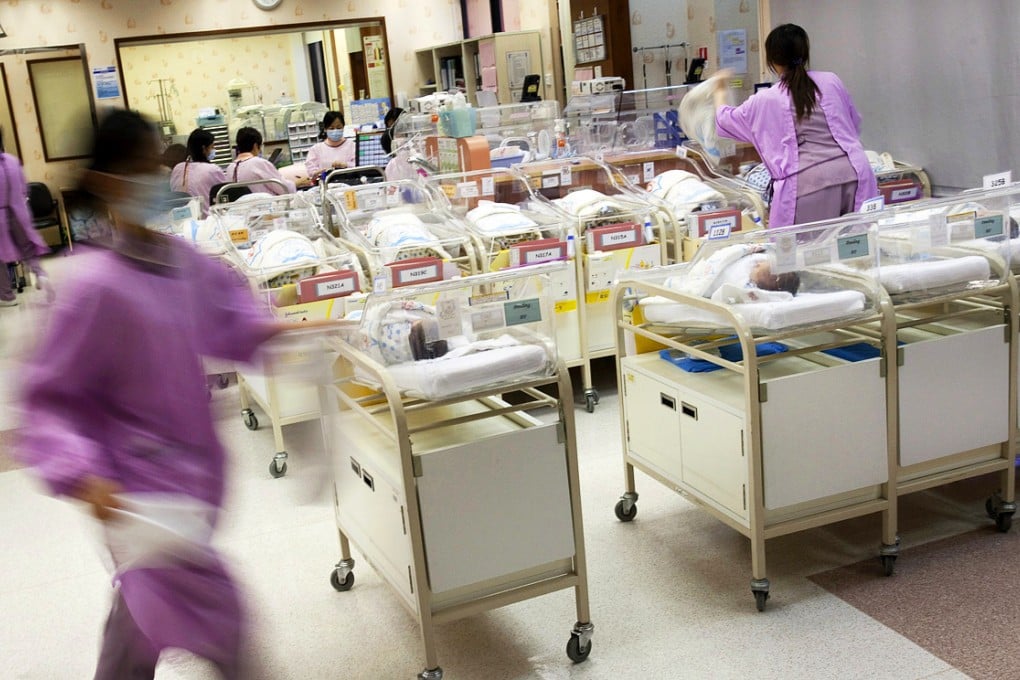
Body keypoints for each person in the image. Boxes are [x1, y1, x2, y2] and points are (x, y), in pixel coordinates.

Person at [16, 109, 307, 679]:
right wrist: (81, 473)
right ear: (106, 183)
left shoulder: (179, 265)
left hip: (190, 480)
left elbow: (227, 319)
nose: (153, 179)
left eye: (157, 165)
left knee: (137, 624)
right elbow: (48, 400)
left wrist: (281, 329)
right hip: (136, 491)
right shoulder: (91, 287)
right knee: (221, 621)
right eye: (139, 169)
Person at [712, 23, 878, 228]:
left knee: (807, 254)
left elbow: (724, 120)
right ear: (805, 53)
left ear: (772, 60)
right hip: (854, 174)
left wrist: (719, 90)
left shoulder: (766, 99)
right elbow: (853, 123)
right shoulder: (831, 82)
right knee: (858, 248)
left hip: (808, 185)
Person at [0, 133, 50, 307]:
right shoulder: (12, 161)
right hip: (19, 212)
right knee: (27, 248)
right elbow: (24, 189)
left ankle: (7, 297)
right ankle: (41, 275)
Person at [224, 126, 295, 196]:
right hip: (265, 205)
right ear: (255, 146)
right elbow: (284, 189)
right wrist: (294, 183)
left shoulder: (230, 168)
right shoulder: (258, 163)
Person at [169, 128, 226, 216]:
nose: (214, 150)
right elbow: (225, 193)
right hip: (207, 220)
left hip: (180, 218)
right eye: (212, 147)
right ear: (204, 148)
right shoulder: (212, 170)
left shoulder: (178, 168)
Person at [303, 111, 356, 182]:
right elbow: (311, 172)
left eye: (338, 127)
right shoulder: (316, 149)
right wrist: (323, 172)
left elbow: (360, 165)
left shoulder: (352, 146)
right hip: (325, 185)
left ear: (343, 127)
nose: (335, 131)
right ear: (325, 129)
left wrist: (345, 165)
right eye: (331, 128)